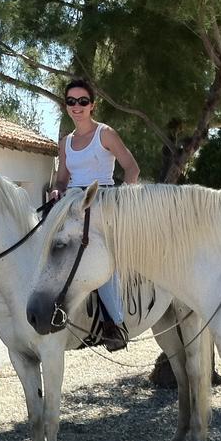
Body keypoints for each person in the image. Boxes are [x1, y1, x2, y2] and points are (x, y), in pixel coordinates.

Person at [49, 78, 140, 351]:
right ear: (66, 106)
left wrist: (121, 199)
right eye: (71, 102)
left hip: (104, 200)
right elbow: (63, 179)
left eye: (82, 101)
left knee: (100, 256)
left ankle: (115, 323)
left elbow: (132, 169)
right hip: (73, 203)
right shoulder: (65, 142)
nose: (77, 106)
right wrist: (56, 191)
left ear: (92, 105)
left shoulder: (105, 134)